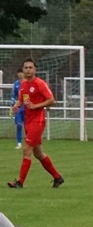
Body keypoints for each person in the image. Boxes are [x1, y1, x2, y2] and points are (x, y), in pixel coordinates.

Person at [7, 58, 64, 189]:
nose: (28, 70)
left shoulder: (40, 84)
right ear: (23, 70)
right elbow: (22, 100)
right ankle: (57, 177)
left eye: (30, 67)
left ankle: (20, 182)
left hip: (38, 121)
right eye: (25, 68)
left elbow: (51, 100)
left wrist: (35, 106)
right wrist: (16, 106)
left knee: (26, 150)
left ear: (35, 69)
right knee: (38, 154)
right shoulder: (23, 85)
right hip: (28, 121)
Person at [10, 68, 24, 149]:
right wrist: (12, 105)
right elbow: (13, 95)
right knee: (19, 125)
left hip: (27, 108)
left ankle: (29, 142)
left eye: (21, 72)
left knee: (28, 127)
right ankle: (19, 143)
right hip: (18, 108)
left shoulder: (27, 83)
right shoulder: (16, 84)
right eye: (19, 73)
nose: (20, 74)